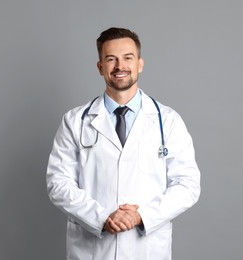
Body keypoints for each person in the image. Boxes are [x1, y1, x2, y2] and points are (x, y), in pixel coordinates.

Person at [46, 27, 201, 260]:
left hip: (147, 249)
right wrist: (101, 218)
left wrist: (141, 217)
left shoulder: (168, 121)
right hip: (93, 249)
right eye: (111, 59)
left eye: (128, 58)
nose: (120, 66)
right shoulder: (75, 121)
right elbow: (58, 182)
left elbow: (188, 185)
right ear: (100, 67)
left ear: (140, 64)